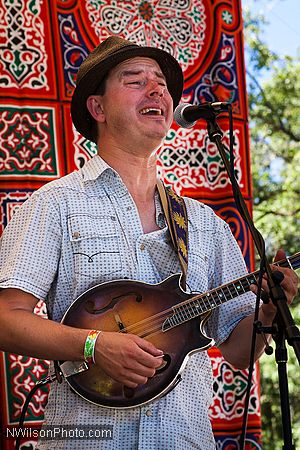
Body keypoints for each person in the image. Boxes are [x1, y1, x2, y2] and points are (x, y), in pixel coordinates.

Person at [0, 36, 298, 450]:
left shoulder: (204, 224)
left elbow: (237, 348)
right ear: (98, 108)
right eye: (135, 80)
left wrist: (268, 308)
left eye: (161, 82)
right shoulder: (54, 205)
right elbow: (5, 318)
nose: (157, 89)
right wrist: (92, 344)